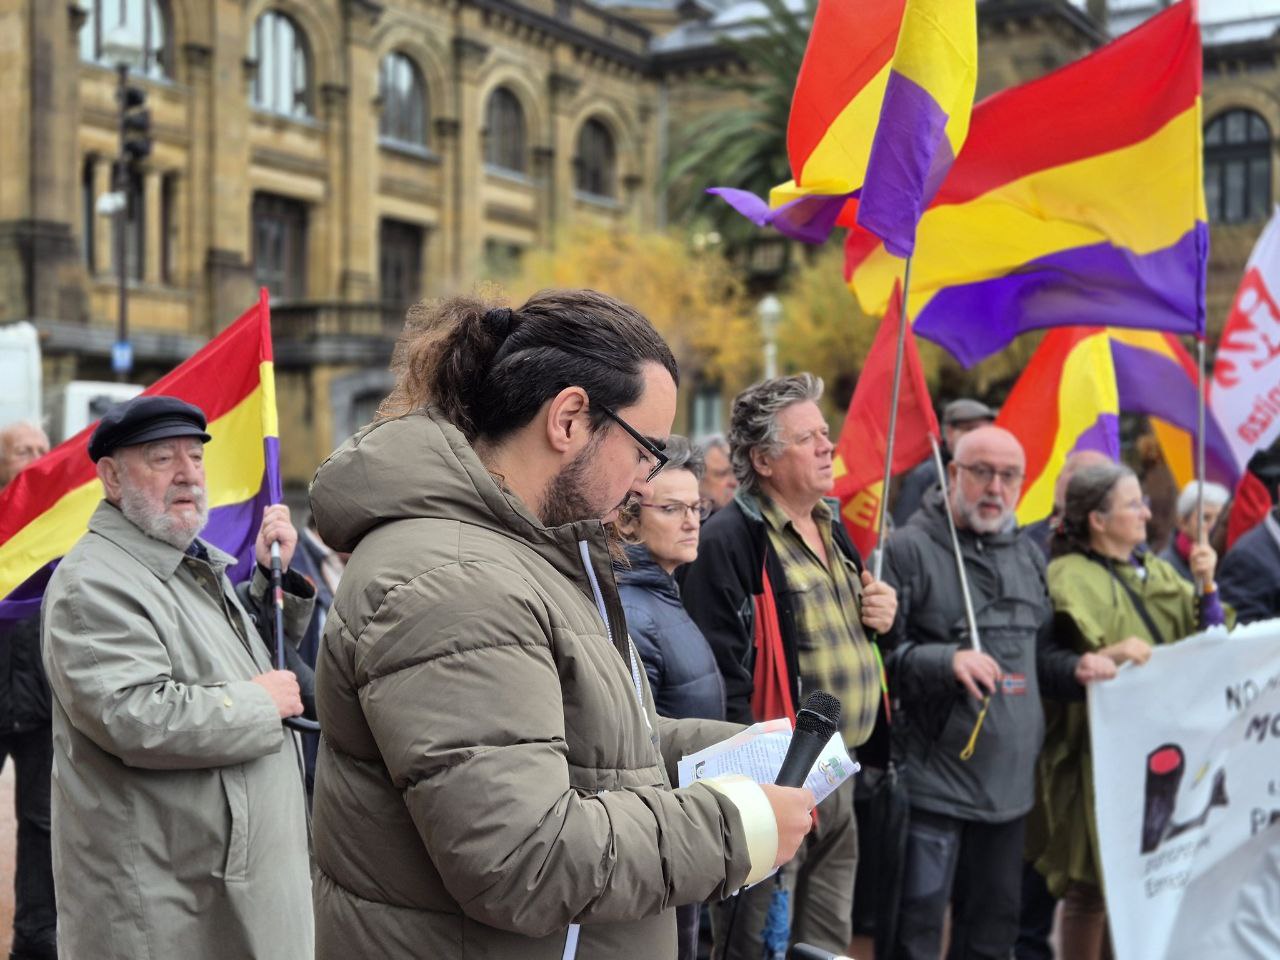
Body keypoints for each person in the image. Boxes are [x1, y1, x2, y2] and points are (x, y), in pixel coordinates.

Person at [308, 290, 815, 960]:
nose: (645, 481)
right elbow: (524, 858)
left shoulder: (530, 554)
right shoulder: (457, 581)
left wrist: (728, 751)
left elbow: (586, 741)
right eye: (644, 450)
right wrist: (736, 827)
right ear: (570, 419)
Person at [41, 396, 315, 960]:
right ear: (112, 477)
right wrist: (261, 706)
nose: (188, 473)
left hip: (212, 882)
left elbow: (224, 658)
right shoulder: (94, 582)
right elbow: (133, 714)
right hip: (171, 900)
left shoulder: (184, 561)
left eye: (195, 457)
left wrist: (267, 582)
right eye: (162, 458)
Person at [681, 373, 898, 960]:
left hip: (841, 773)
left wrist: (884, 615)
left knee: (825, 941)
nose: (829, 446)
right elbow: (721, 678)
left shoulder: (833, 525)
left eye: (825, 434)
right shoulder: (730, 541)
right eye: (809, 438)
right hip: (778, 777)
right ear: (765, 460)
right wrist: (754, 782)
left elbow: (862, 637)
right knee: (759, 942)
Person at [881, 427, 1116, 960]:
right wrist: (947, 660)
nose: (995, 487)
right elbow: (882, 662)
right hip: (933, 786)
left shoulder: (1028, 556)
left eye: (1009, 475)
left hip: (1010, 793)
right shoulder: (908, 549)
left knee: (992, 938)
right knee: (917, 936)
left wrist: (1080, 667)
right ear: (954, 473)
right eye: (981, 471)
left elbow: (1040, 658)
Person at [1037, 462, 1228, 960]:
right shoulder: (1066, 576)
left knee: (1140, 884)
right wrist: (1109, 656)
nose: (1146, 512)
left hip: (1158, 754)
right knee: (1091, 887)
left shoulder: (1158, 569)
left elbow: (1208, 640)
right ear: (1098, 520)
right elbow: (1059, 659)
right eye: (1132, 504)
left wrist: (1207, 588)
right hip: (1095, 758)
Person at [614, 434, 724, 960]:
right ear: (629, 520)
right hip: (668, 841)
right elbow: (639, 747)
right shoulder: (634, 611)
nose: (691, 520)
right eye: (672, 508)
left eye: (697, 507)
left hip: (685, 833)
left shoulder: (660, 593)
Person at [0, 422, 56, 960]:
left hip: (42, 702)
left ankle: (35, 945)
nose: (38, 459)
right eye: (24, 451)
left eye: (44, 449)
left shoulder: (59, 527)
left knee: (42, 826)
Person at [892, 399, 997, 526]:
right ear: (949, 432)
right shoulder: (926, 475)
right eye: (971, 430)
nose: (979, 438)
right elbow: (903, 526)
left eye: (985, 432)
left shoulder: (992, 477)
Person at [1158, 480, 1230, 583]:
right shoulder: (1164, 566)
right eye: (1205, 518)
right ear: (1182, 522)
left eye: (1219, 519)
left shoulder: (1226, 558)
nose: (1213, 525)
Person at [697, 433, 739, 513]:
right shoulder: (688, 523)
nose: (734, 483)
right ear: (698, 479)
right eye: (722, 474)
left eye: (736, 472)